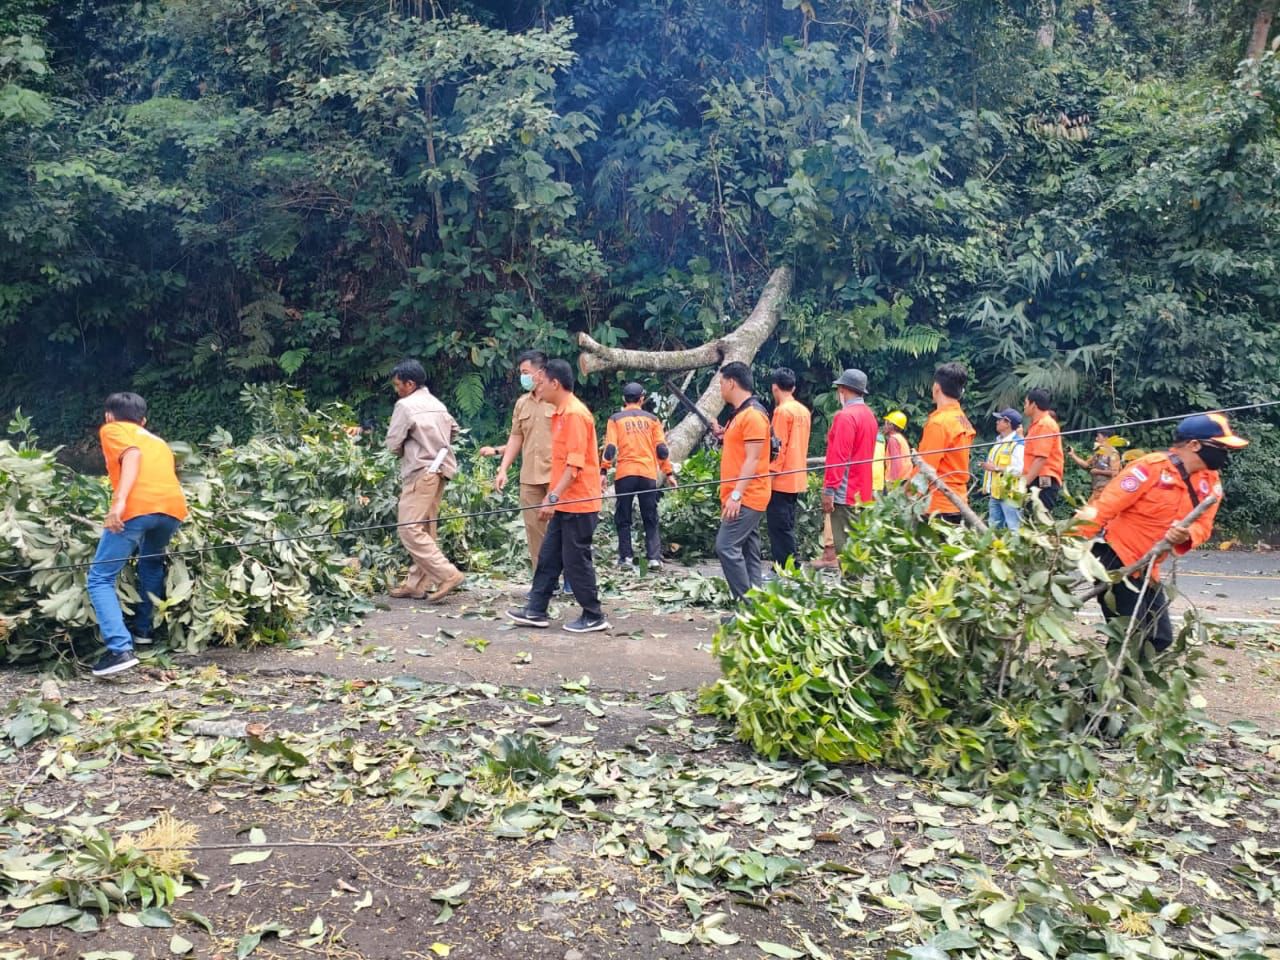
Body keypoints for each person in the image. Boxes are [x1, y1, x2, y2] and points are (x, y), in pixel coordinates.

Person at [1074, 414, 1248, 651]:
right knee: (1129, 637)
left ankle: (1125, 686)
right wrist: (1064, 543)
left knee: (1159, 637)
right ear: (1194, 444)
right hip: (1116, 559)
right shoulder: (1149, 469)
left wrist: (1187, 535)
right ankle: (1103, 687)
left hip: (1149, 567)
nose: (1225, 454)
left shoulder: (1210, 482)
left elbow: (1204, 526)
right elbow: (1103, 508)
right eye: (1221, 447)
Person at [87, 393, 189, 677]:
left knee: (99, 577)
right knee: (150, 563)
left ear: (109, 415)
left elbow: (132, 455)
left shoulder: (113, 429)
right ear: (143, 420)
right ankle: (144, 632)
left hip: (137, 509)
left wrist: (118, 504)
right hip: (172, 511)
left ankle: (119, 649)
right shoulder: (158, 441)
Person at [507, 360, 609, 633]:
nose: (537, 387)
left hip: (579, 501)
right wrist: (555, 499)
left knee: (575, 559)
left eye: (541, 383)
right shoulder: (560, 414)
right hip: (565, 500)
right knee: (550, 555)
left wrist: (552, 497)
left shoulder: (575, 414)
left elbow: (574, 466)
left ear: (555, 384)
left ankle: (593, 614)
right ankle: (536, 609)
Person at [385, 359, 466, 604]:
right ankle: (417, 584)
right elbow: (455, 430)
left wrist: (407, 449)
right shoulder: (437, 403)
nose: (397, 389)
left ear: (410, 384)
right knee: (426, 527)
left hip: (420, 471)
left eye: (398, 385)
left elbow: (392, 443)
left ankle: (447, 574)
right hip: (440, 469)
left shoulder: (405, 406)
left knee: (409, 528)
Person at [479, 349, 556, 574]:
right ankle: (542, 582)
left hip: (557, 476)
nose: (522, 377)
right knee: (535, 532)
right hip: (529, 477)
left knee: (562, 529)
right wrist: (503, 469)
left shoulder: (558, 400)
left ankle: (570, 579)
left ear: (541, 373)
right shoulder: (522, 403)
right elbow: (516, 437)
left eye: (525, 372)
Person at [602, 382, 676, 571]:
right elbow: (661, 448)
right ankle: (653, 559)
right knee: (650, 516)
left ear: (623, 400)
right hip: (647, 474)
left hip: (625, 474)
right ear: (642, 399)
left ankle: (626, 558)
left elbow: (610, 448)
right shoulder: (652, 419)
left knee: (623, 517)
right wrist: (668, 472)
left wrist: (603, 471)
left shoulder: (616, 419)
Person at [715, 361, 772, 605]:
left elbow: (753, 458)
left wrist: (736, 495)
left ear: (731, 383)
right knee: (750, 552)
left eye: (720, 383)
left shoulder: (753, 416)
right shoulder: (739, 416)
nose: (720, 388)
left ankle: (747, 608)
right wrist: (722, 434)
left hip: (748, 495)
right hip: (741, 493)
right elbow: (740, 448)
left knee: (726, 546)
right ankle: (755, 609)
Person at [910, 363, 976, 522]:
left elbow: (926, 468)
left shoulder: (939, 422)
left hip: (937, 506)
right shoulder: (962, 419)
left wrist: (906, 496)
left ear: (936, 387)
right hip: (958, 502)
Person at [822, 369, 878, 552]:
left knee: (846, 549)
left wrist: (829, 490)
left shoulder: (845, 416)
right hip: (863, 491)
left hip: (845, 491)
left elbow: (838, 456)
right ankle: (855, 580)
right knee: (857, 546)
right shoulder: (869, 415)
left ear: (843, 389)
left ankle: (851, 581)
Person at [766, 367, 811, 568]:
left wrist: (771, 474)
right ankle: (786, 563)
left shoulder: (782, 412)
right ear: (792, 387)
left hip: (782, 478)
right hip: (797, 475)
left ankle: (787, 564)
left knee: (778, 525)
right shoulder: (803, 410)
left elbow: (778, 447)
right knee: (787, 523)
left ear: (775, 388)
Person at [980, 409, 1025, 530]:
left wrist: (995, 468)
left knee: (1014, 528)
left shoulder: (1018, 444)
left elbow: (1019, 470)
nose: (997, 422)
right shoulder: (999, 441)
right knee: (993, 529)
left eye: (1000, 420)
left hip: (1011, 493)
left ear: (1008, 423)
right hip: (996, 492)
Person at [1023, 388, 1065, 515]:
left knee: (1040, 521)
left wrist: (1024, 483)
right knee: (1032, 519)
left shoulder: (1044, 425)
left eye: (1025, 403)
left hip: (1043, 479)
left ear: (1033, 405)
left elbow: (1041, 458)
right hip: (1036, 478)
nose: (1024, 407)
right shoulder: (1037, 425)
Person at [1069, 429, 1125, 502]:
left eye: (1098, 436)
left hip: (1106, 490)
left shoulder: (1113, 453)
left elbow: (1115, 473)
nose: (1096, 439)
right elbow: (1086, 465)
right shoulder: (1099, 452)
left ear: (1106, 438)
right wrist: (1073, 455)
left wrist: (1097, 471)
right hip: (1097, 490)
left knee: (1089, 511)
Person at [873, 410, 912, 494]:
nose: (884, 426)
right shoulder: (900, 438)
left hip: (897, 480)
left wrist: (893, 485)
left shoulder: (893, 440)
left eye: (886, 423)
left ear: (891, 425)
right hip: (905, 477)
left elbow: (896, 462)